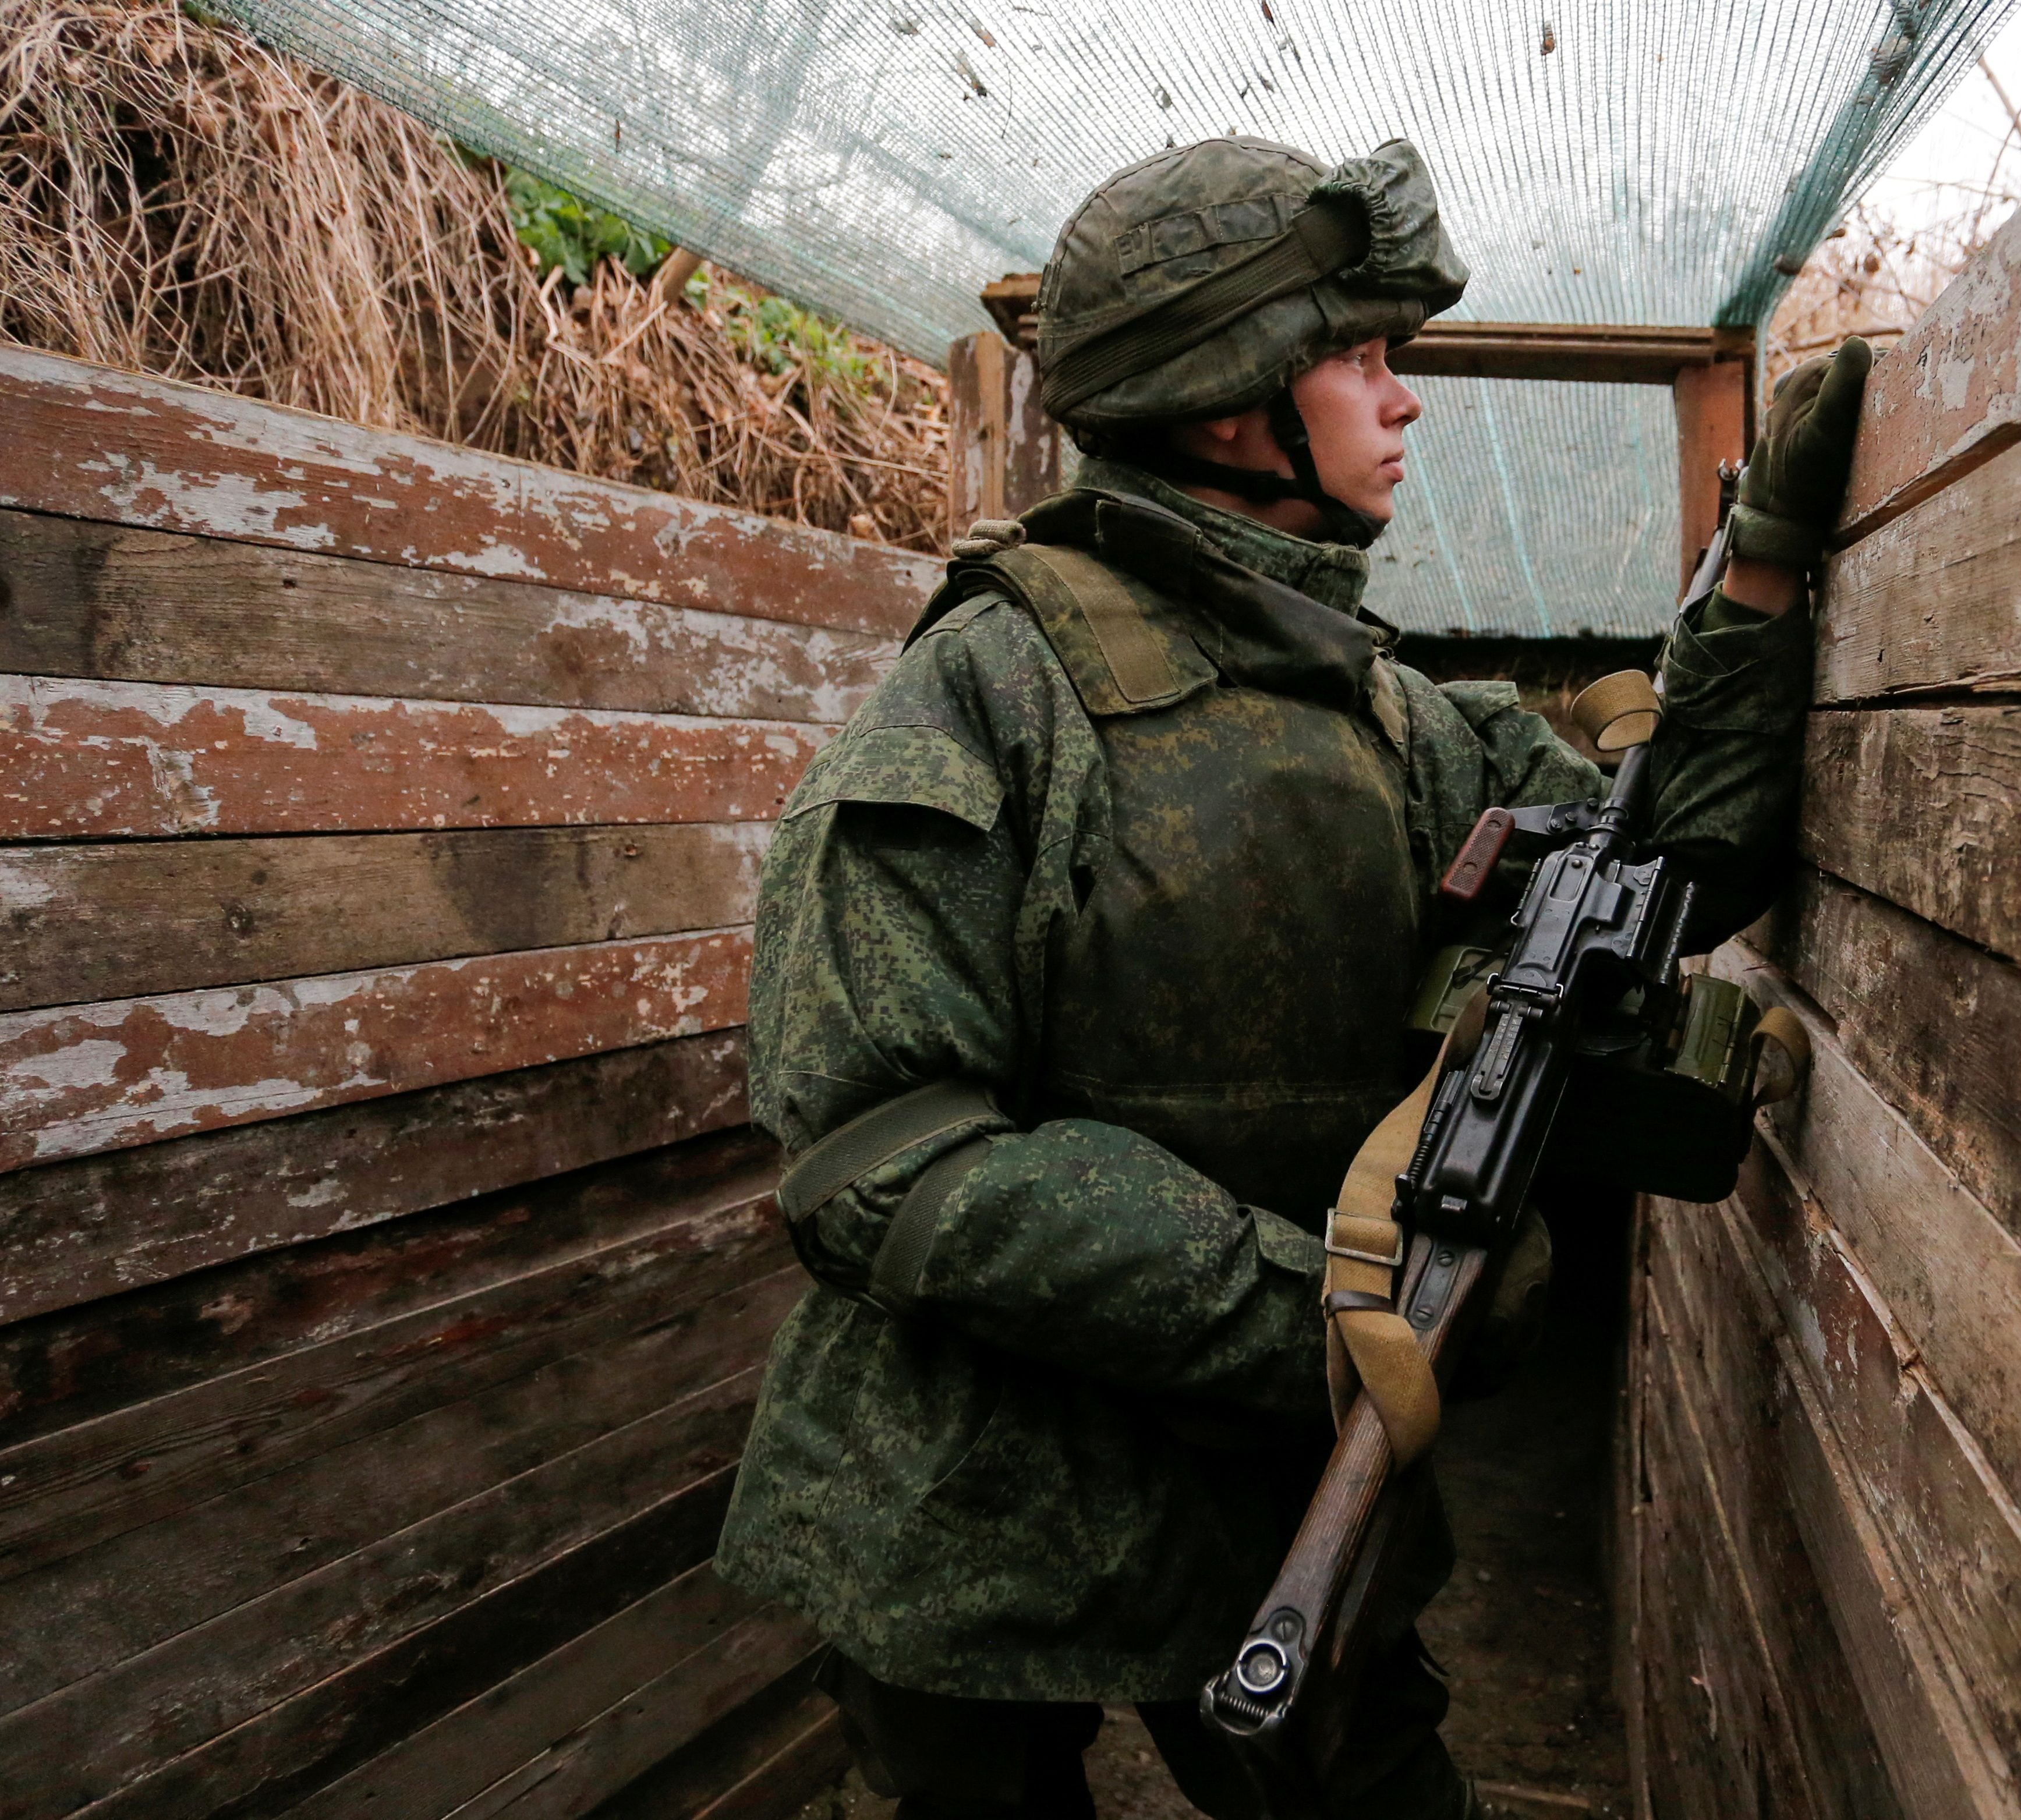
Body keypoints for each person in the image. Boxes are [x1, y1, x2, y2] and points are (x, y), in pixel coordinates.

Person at [714, 133, 1870, 1820]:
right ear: (1227, 403)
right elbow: (873, 1148)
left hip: (1278, 1487)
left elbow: (1665, 874)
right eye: (1359, 355)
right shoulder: (991, 693)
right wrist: (1319, 1320)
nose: (1401, 401)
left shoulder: (1390, 713)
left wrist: (1756, 572)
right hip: (966, 1498)